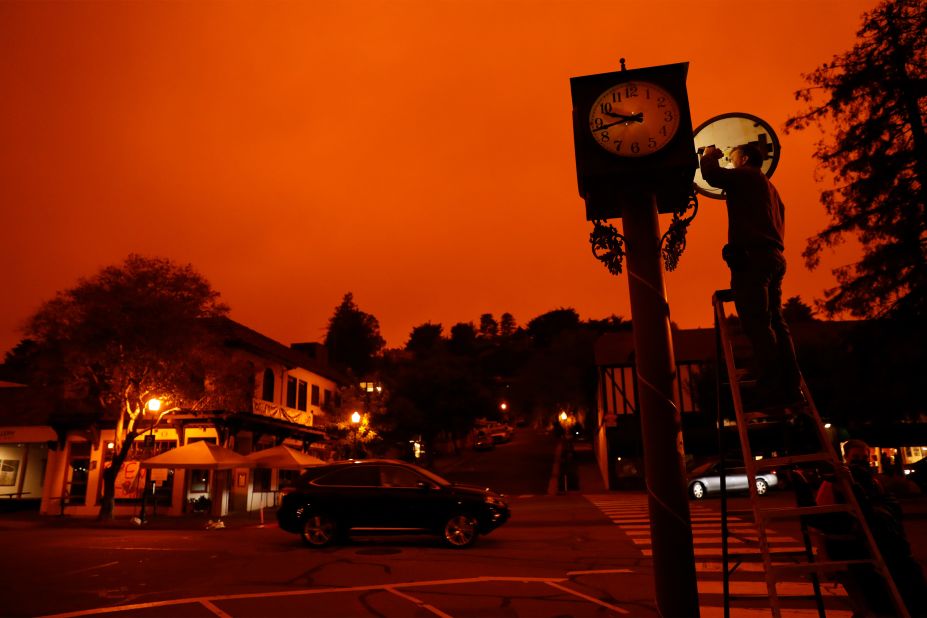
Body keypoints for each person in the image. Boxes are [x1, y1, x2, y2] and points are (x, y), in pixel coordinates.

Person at [700, 144, 802, 410]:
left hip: (753, 257)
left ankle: (771, 387)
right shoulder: (772, 189)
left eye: (733, 156)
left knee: (757, 323)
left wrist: (709, 154)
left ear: (744, 159)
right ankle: (791, 386)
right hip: (774, 256)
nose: (730, 160)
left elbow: (712, 175)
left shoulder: (747, 175)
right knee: (777, 322)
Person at [816, 439, 926, 616]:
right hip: (850, 548)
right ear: (846, 458)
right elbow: (822, 521)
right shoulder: (834, 484)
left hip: (871, 547)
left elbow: (879, 512)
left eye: (863, 457)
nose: (860, 461)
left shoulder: (871, 482)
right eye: (855, 457)